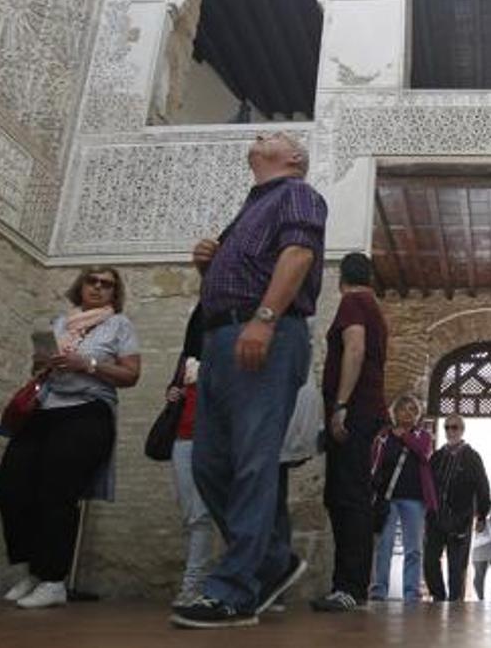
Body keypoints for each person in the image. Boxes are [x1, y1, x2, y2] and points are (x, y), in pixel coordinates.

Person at [174, 132, 327, 629]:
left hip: (264, 332)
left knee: (253, 463)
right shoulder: (249, 207)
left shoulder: (297, 193)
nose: (262, 134)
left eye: (274, 135)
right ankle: (272, 562)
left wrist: (263, 318)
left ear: (293, 158)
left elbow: (298, 256)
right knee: (210, 463)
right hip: (221, 339)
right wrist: (210, 266)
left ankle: (235, 592)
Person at [0, 267, 141, 609]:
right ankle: (35, 568)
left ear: (114, 293)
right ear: (81, 285)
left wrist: (86, 363)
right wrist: (44, 363)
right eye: (93, 281)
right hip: (44, 408)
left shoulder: (119, 325)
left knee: (57, 492)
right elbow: (39, 367)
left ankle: (53, 580)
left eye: (108, 285)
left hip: (87, 411)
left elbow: (131, 374)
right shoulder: (62, 322)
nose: (99, 288)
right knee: (10, 486)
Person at [311, 253, 389, 612]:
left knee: (348, 498)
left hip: (355, 412)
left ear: (341, 277)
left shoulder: (353, 301)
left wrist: (341, 404)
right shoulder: (371, 304)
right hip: (364, 411)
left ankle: (349, 586)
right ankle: (349, 586)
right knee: (347, 496)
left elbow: (353, 349)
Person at [162, 305, 215, 608]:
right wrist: (173, 392)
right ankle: (195, 586)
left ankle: (193, 587)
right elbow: (175, 385)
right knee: (190, 515)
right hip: (183, 436)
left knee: (202, 515)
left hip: (213, 438)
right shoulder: (188, 357)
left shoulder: (231, 354)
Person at [369, 395, 436, 602]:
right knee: (384, 546)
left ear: (418, 416)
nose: (407, 413)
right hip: (389, 498)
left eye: (412, 410)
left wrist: (404, 436)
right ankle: (379, 590)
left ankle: (411, 593)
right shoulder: (384, 437)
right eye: (403, 409)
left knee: (413, 548)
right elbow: (375, 464)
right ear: (394, 413)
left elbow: (423, 452)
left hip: (414, 499)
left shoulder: (423, 436)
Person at [425, 415, 491, 602]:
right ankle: (438, 596)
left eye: (454, 427)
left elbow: (482, 486)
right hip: (436, 517)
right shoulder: (437, 457)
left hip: (460, 518)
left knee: (457, 565)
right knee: (430, 561)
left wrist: (482, 515)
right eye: (447, 427)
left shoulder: (472, 457)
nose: (450, 431)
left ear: (462, 430)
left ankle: (455, 603)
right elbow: (427, 484)